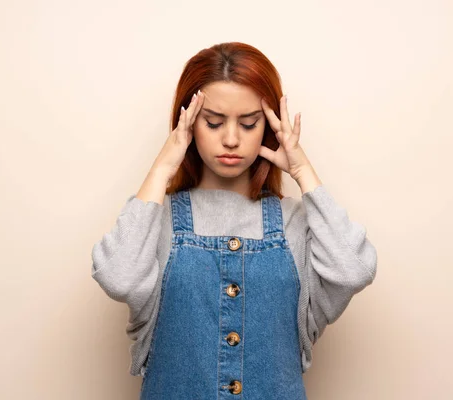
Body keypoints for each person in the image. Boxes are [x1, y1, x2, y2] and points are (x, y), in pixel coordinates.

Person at [91, 42, 378, 399]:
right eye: (212, 122)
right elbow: (119, 277)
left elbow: (354, 270)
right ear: (189, 124)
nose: (230, 139)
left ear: (268, 127)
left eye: (248, 123)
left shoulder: (296, 224)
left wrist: (303, 171)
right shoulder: (156, 221)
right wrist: (163, 167)